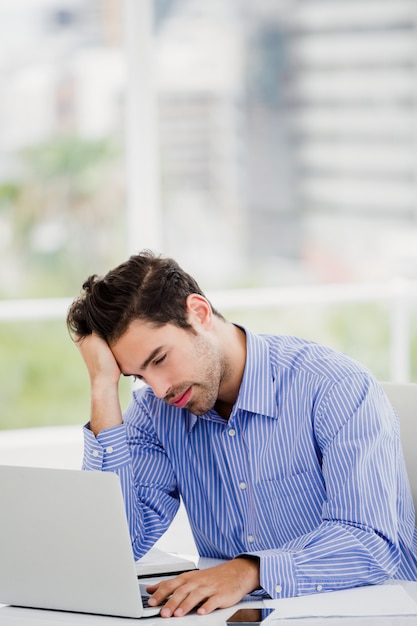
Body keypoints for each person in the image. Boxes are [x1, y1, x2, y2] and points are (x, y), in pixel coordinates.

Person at [67, 250, 417, 618]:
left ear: (199, 313)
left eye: (159, 359)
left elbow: (371, 542)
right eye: (137, 375)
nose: (158, 389)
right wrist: (103, 390)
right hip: (243, 616)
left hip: (372, 612)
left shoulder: (334, 386)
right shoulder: (156, 413)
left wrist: (249, 570)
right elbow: (119, 548)